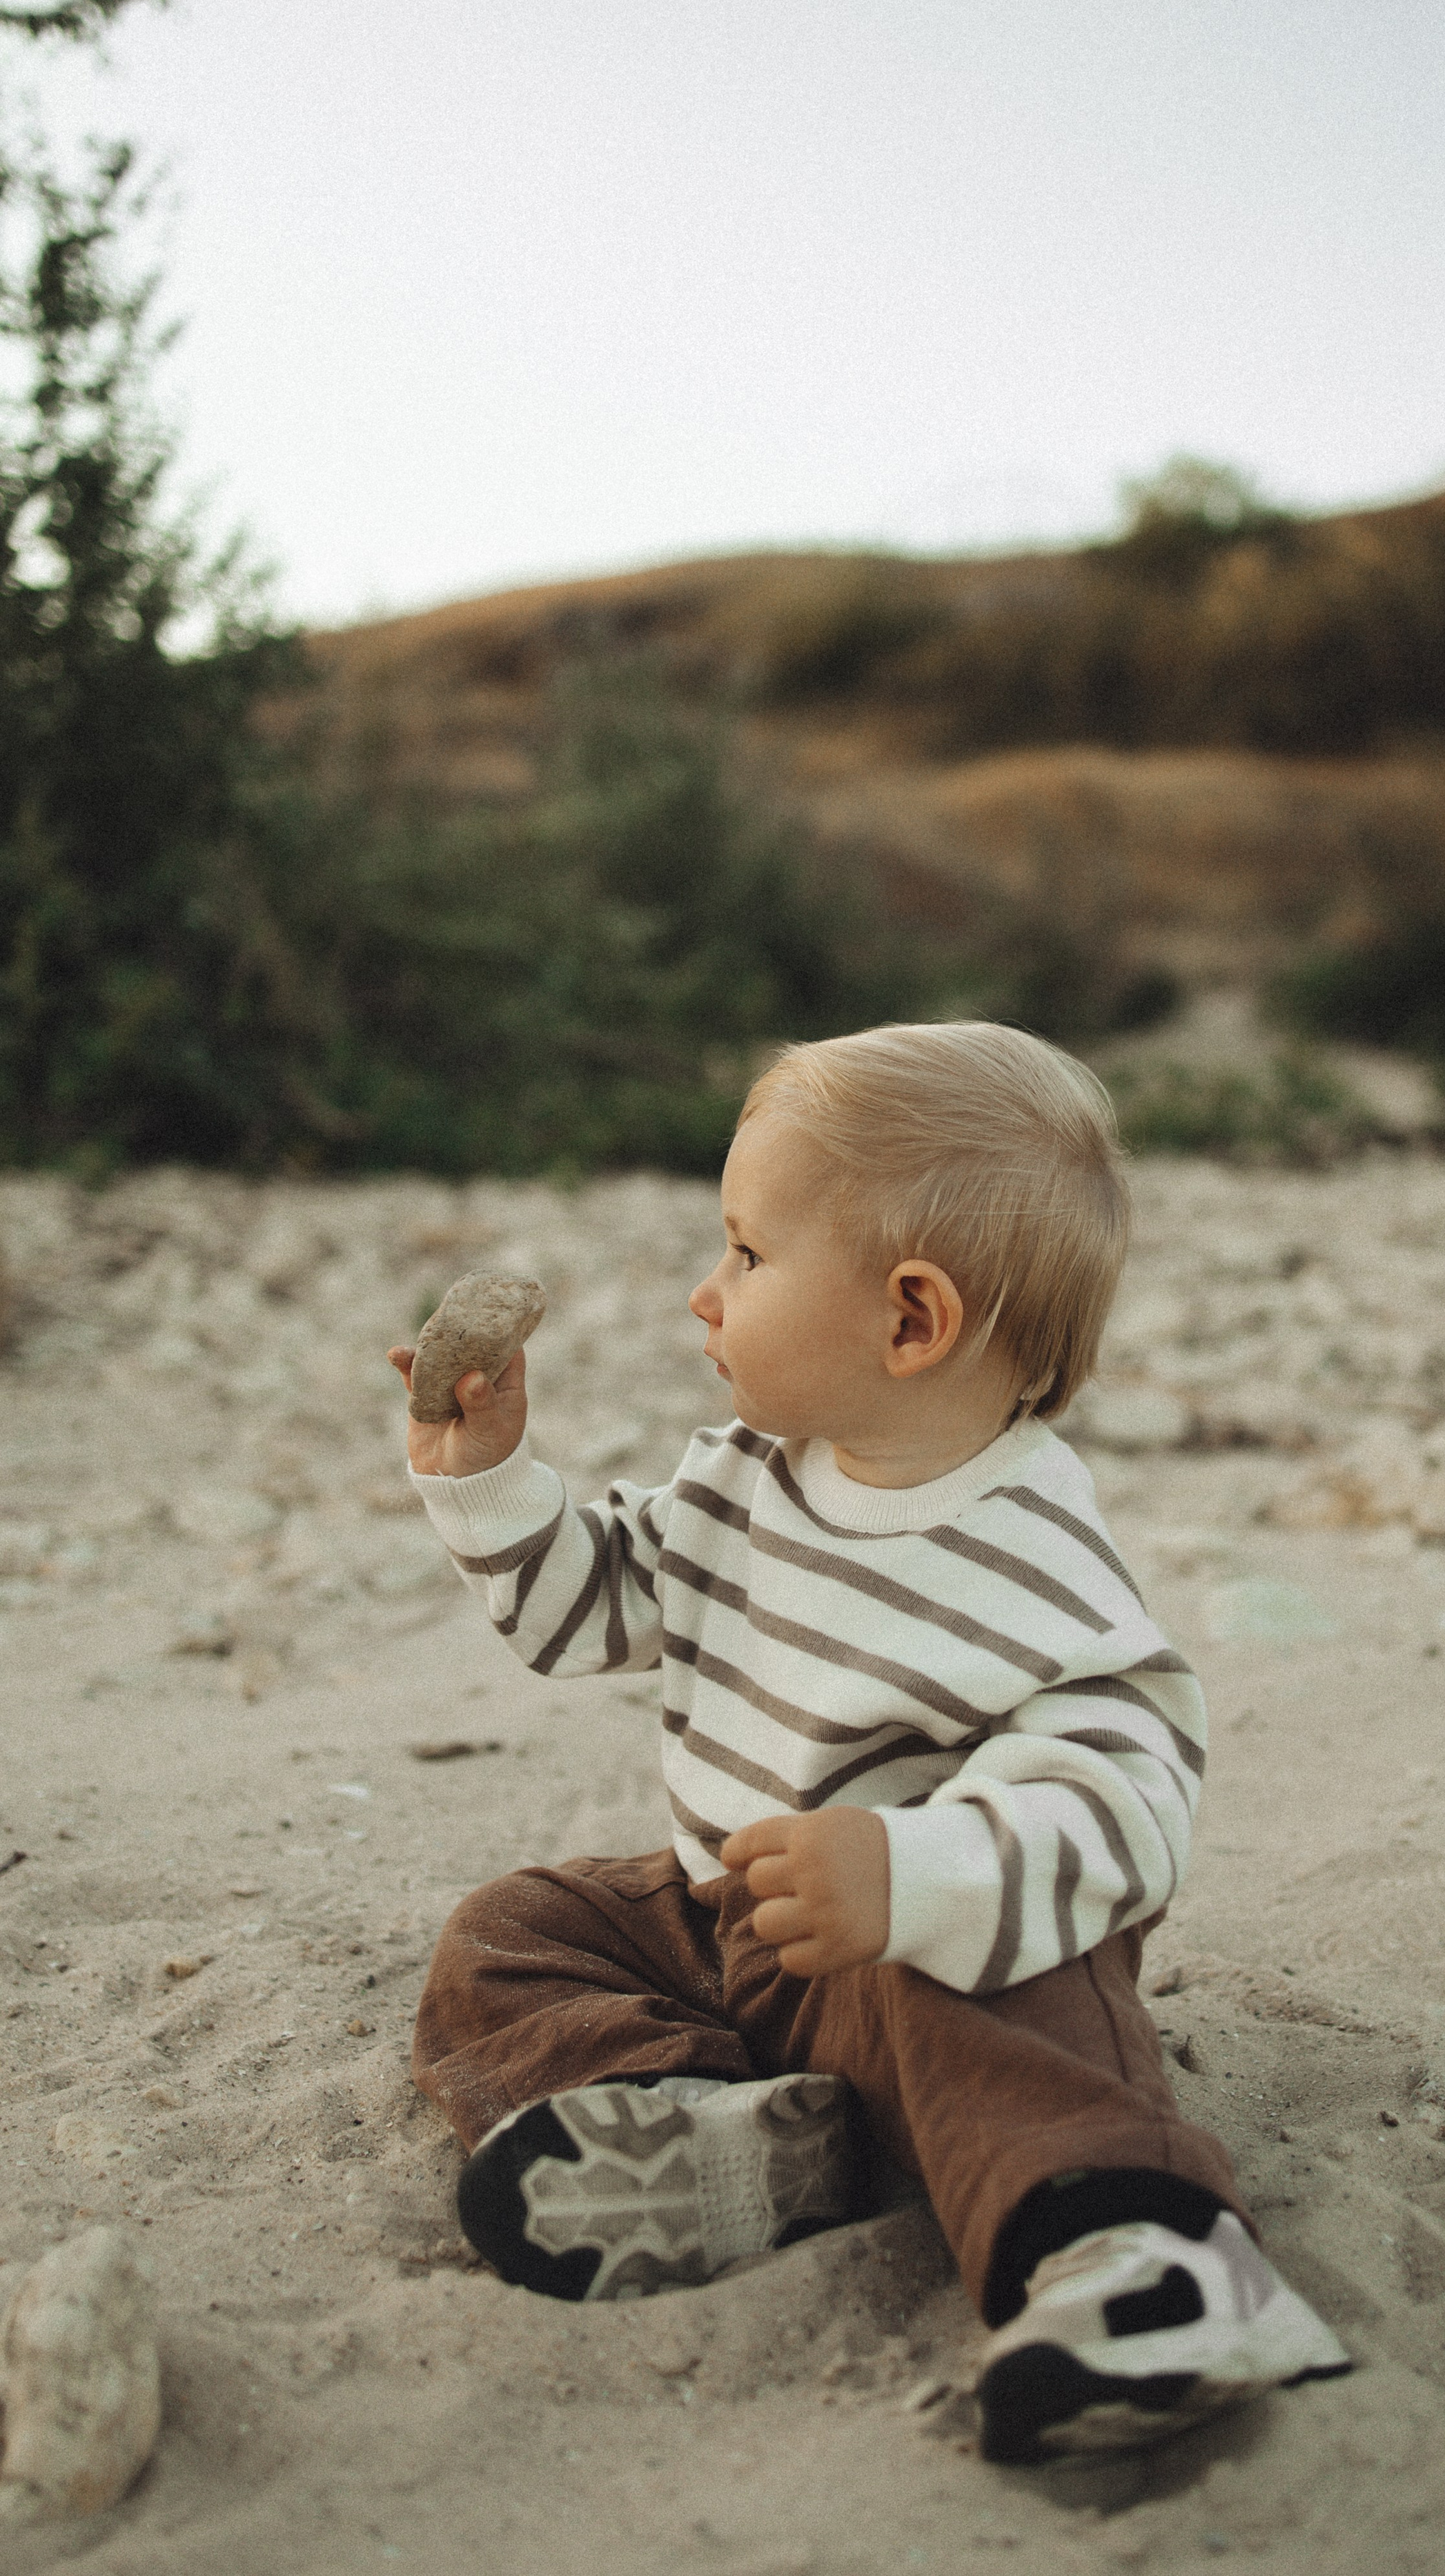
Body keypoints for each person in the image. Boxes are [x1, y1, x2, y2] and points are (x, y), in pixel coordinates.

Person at [390, 1022, 1348, 2463]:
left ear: (910, 1321)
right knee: (511, 1936)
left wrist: (919, 1873)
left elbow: (1129, 1792)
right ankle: (732, 2132)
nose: (703, 1296)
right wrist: (487, 1482)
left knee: (1026, 2016)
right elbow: (584, 1611)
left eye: (748, 1257)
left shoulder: (1025, 1554)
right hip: (731, 1923)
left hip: (912, 1945)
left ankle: (1139, 2260)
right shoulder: (742, 1480)